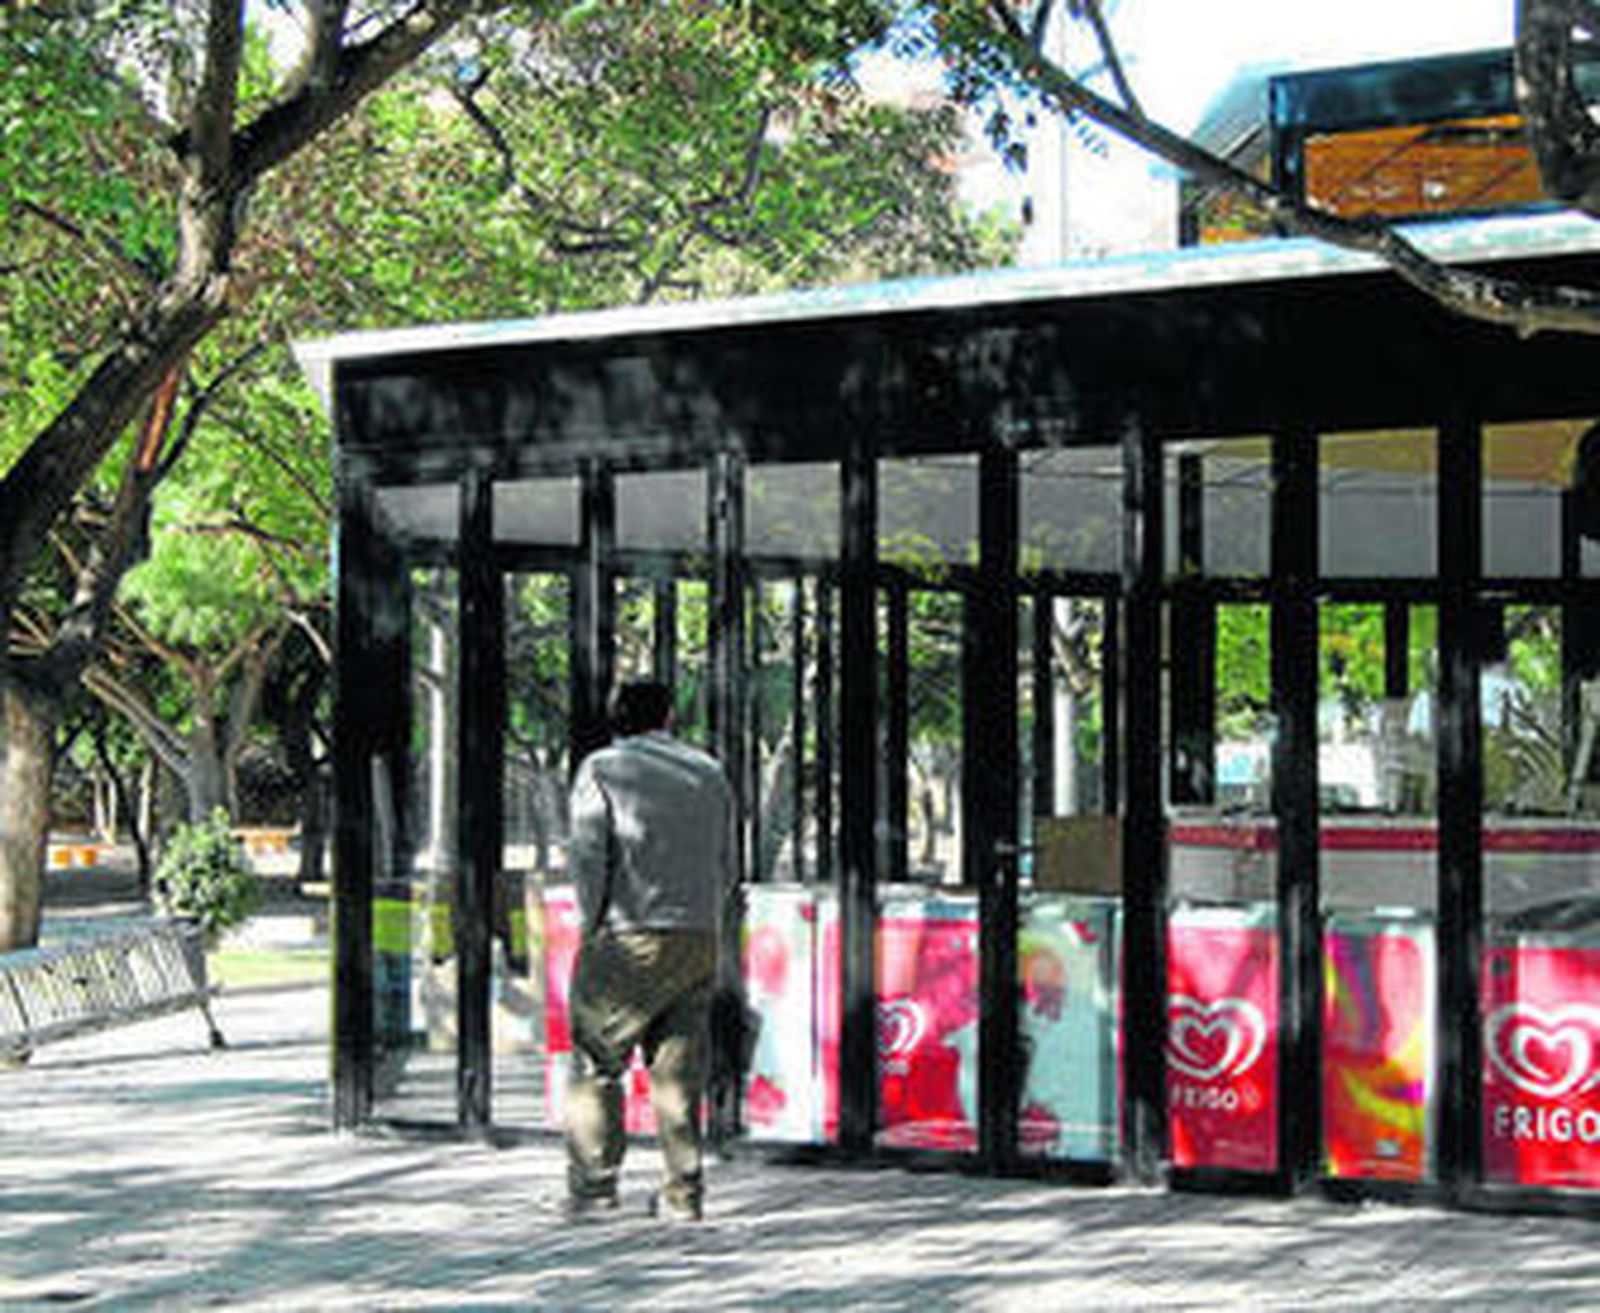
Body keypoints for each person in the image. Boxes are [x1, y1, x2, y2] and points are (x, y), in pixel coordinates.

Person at [563, 679, 734, 1222]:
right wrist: (711, 916)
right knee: (678, 1073)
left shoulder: (602, 769)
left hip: (627, 934)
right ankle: (684, 1193)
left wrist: (591, 925)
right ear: (668, 715)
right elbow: (727, 861)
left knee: (598, 1064)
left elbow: (590, 855)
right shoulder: (708, 772)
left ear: (617, 717)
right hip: (697, 937)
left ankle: (594, 1189)